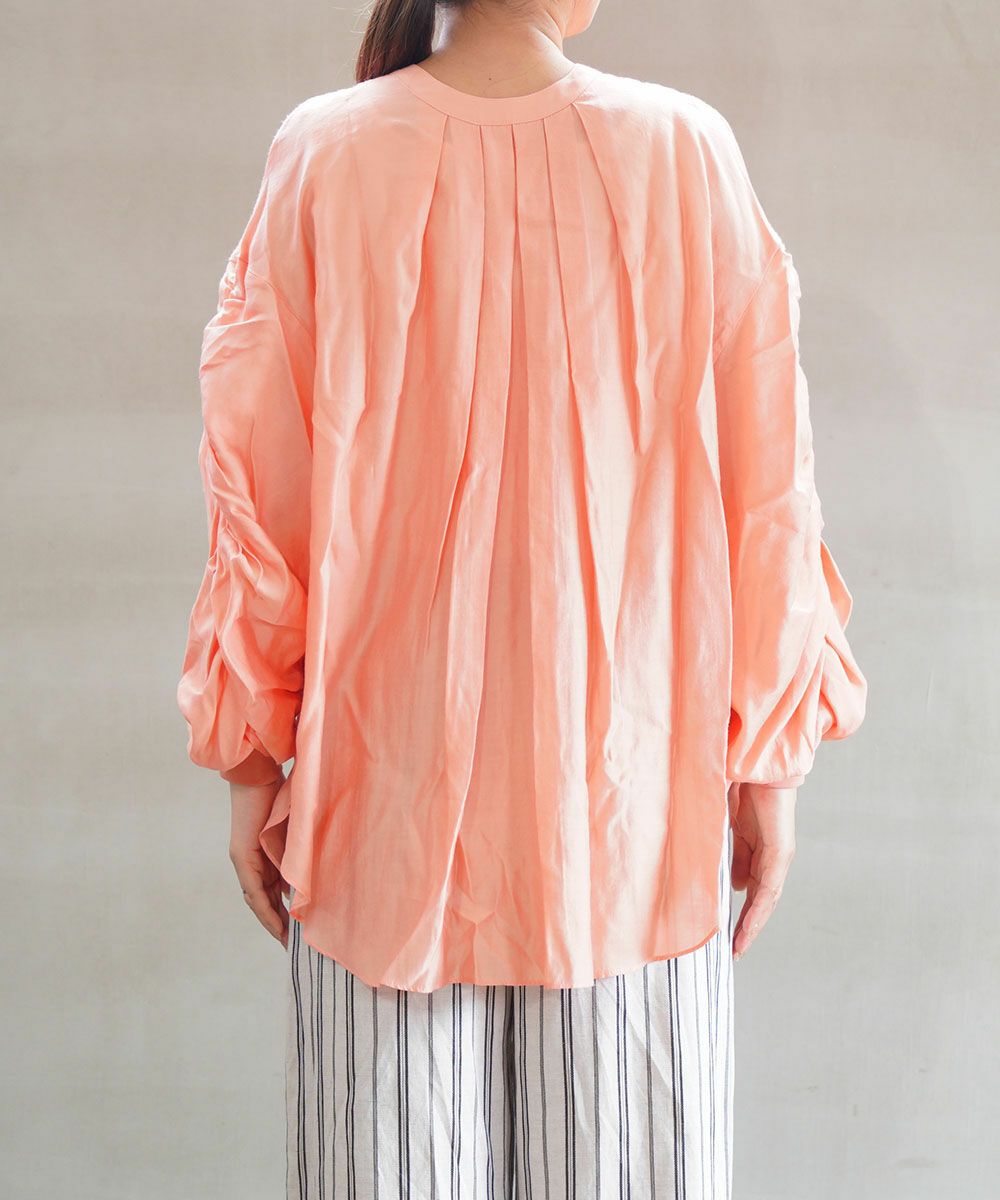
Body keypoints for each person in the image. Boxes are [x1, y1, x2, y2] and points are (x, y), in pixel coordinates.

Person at [176, 0, 868, 1194]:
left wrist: (252, 759)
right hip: (630, 821)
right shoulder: (683, 149)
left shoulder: (324, 151)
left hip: (375, 821)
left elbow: (258, 483)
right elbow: (768, 490)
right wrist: (769, 764)